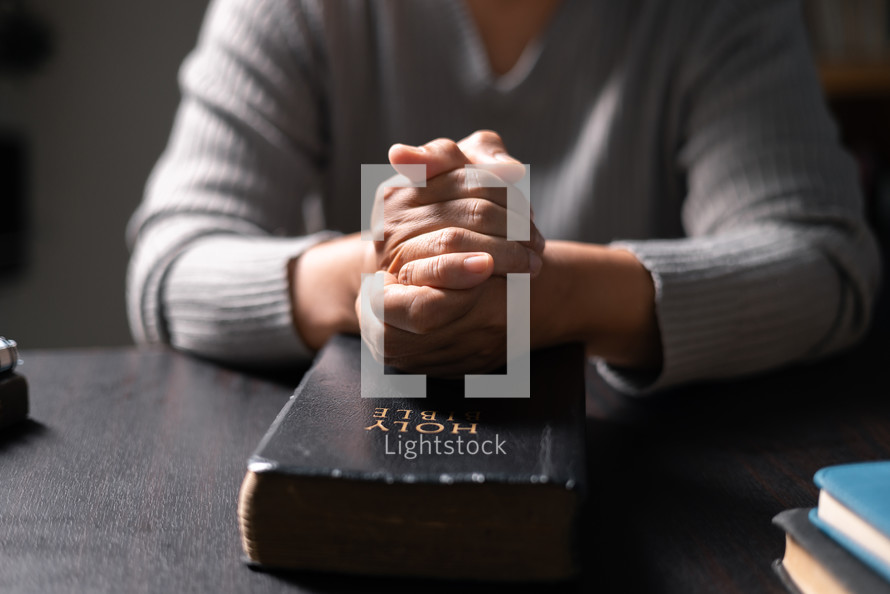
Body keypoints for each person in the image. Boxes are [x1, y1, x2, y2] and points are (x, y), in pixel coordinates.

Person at [126, 0, 881, 394]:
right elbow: (172, 264)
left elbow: (825, 265)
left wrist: (546, 298)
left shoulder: (716, 11)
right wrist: (381, 275)